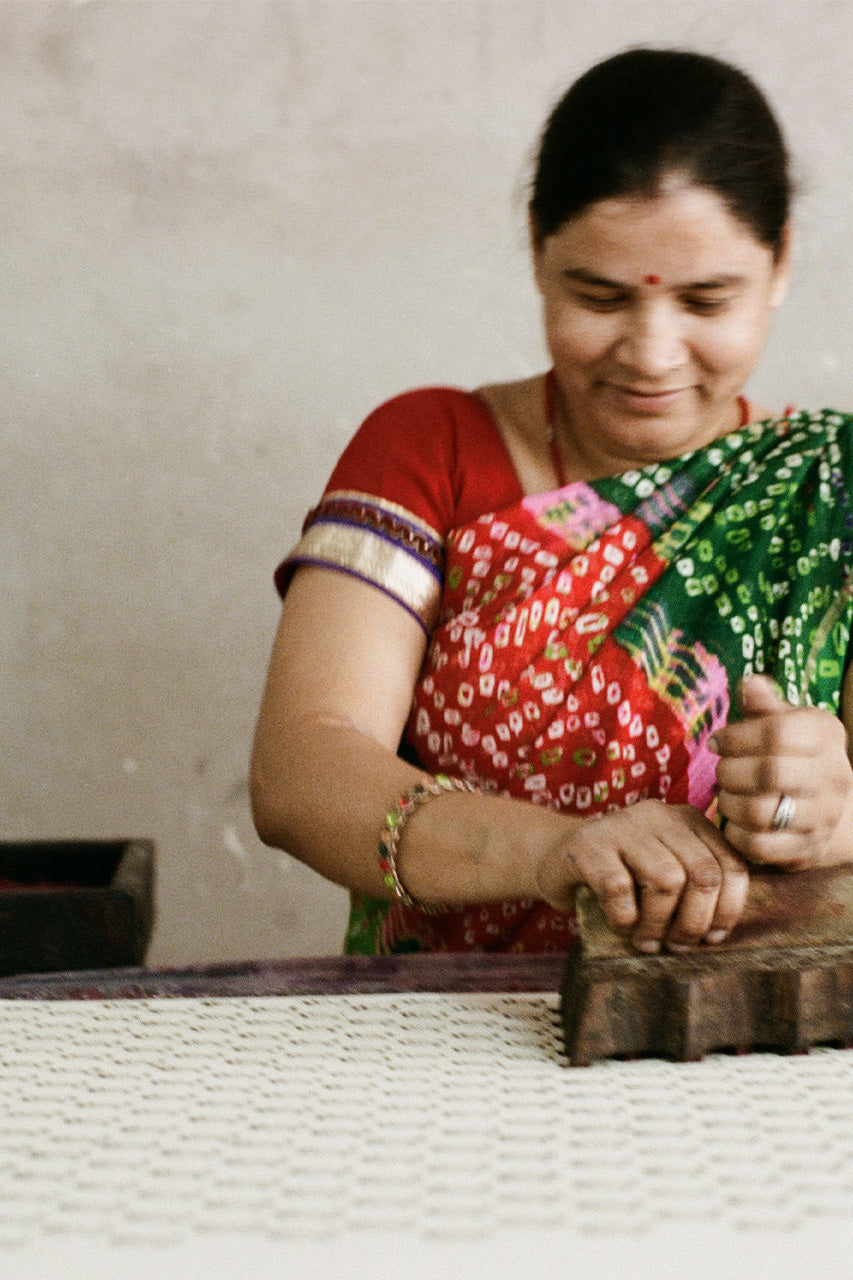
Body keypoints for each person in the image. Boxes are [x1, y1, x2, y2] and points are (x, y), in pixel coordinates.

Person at [251, 47, 853, 957]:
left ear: (779, 264)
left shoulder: (831, 488)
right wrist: (560, 852)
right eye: (598, 296)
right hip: (441, 1044)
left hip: (760, 1053)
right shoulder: (429, 452)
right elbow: (300, 773)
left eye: (706, 299)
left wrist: (827, 818)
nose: (651, 351)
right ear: (536, 250)